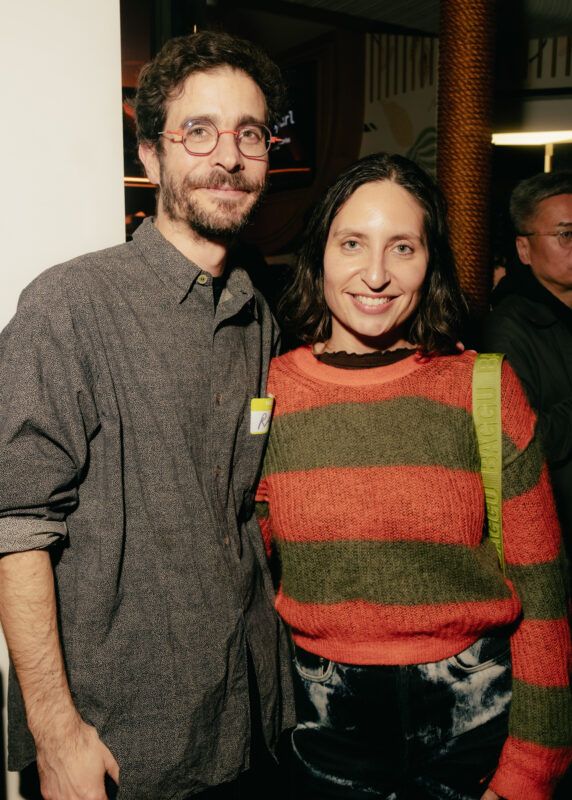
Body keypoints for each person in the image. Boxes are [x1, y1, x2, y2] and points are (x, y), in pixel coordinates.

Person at [0, 31, 295, 800]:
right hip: (119, 747)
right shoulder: (69, 306)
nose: (228, 157)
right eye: (198, 131)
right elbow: (14, 523)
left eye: (250, 134)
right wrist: (55, 732)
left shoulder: (256, 315)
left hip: (246, 723)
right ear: (151, 156)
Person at [255, 153, 572, 800]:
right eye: (352, 243)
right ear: (318, 255)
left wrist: (532, 767)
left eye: (403, 247)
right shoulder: (270, 393)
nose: (376, 274)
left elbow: (542, 590)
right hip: (322, 723)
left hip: (475, 723)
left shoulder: (482, 387)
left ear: (431, 263)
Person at [482, 171, 572, 570]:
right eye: (566, 234)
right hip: (554, 540)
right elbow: (522, 447)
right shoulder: (508, 326)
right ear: (524, 248)